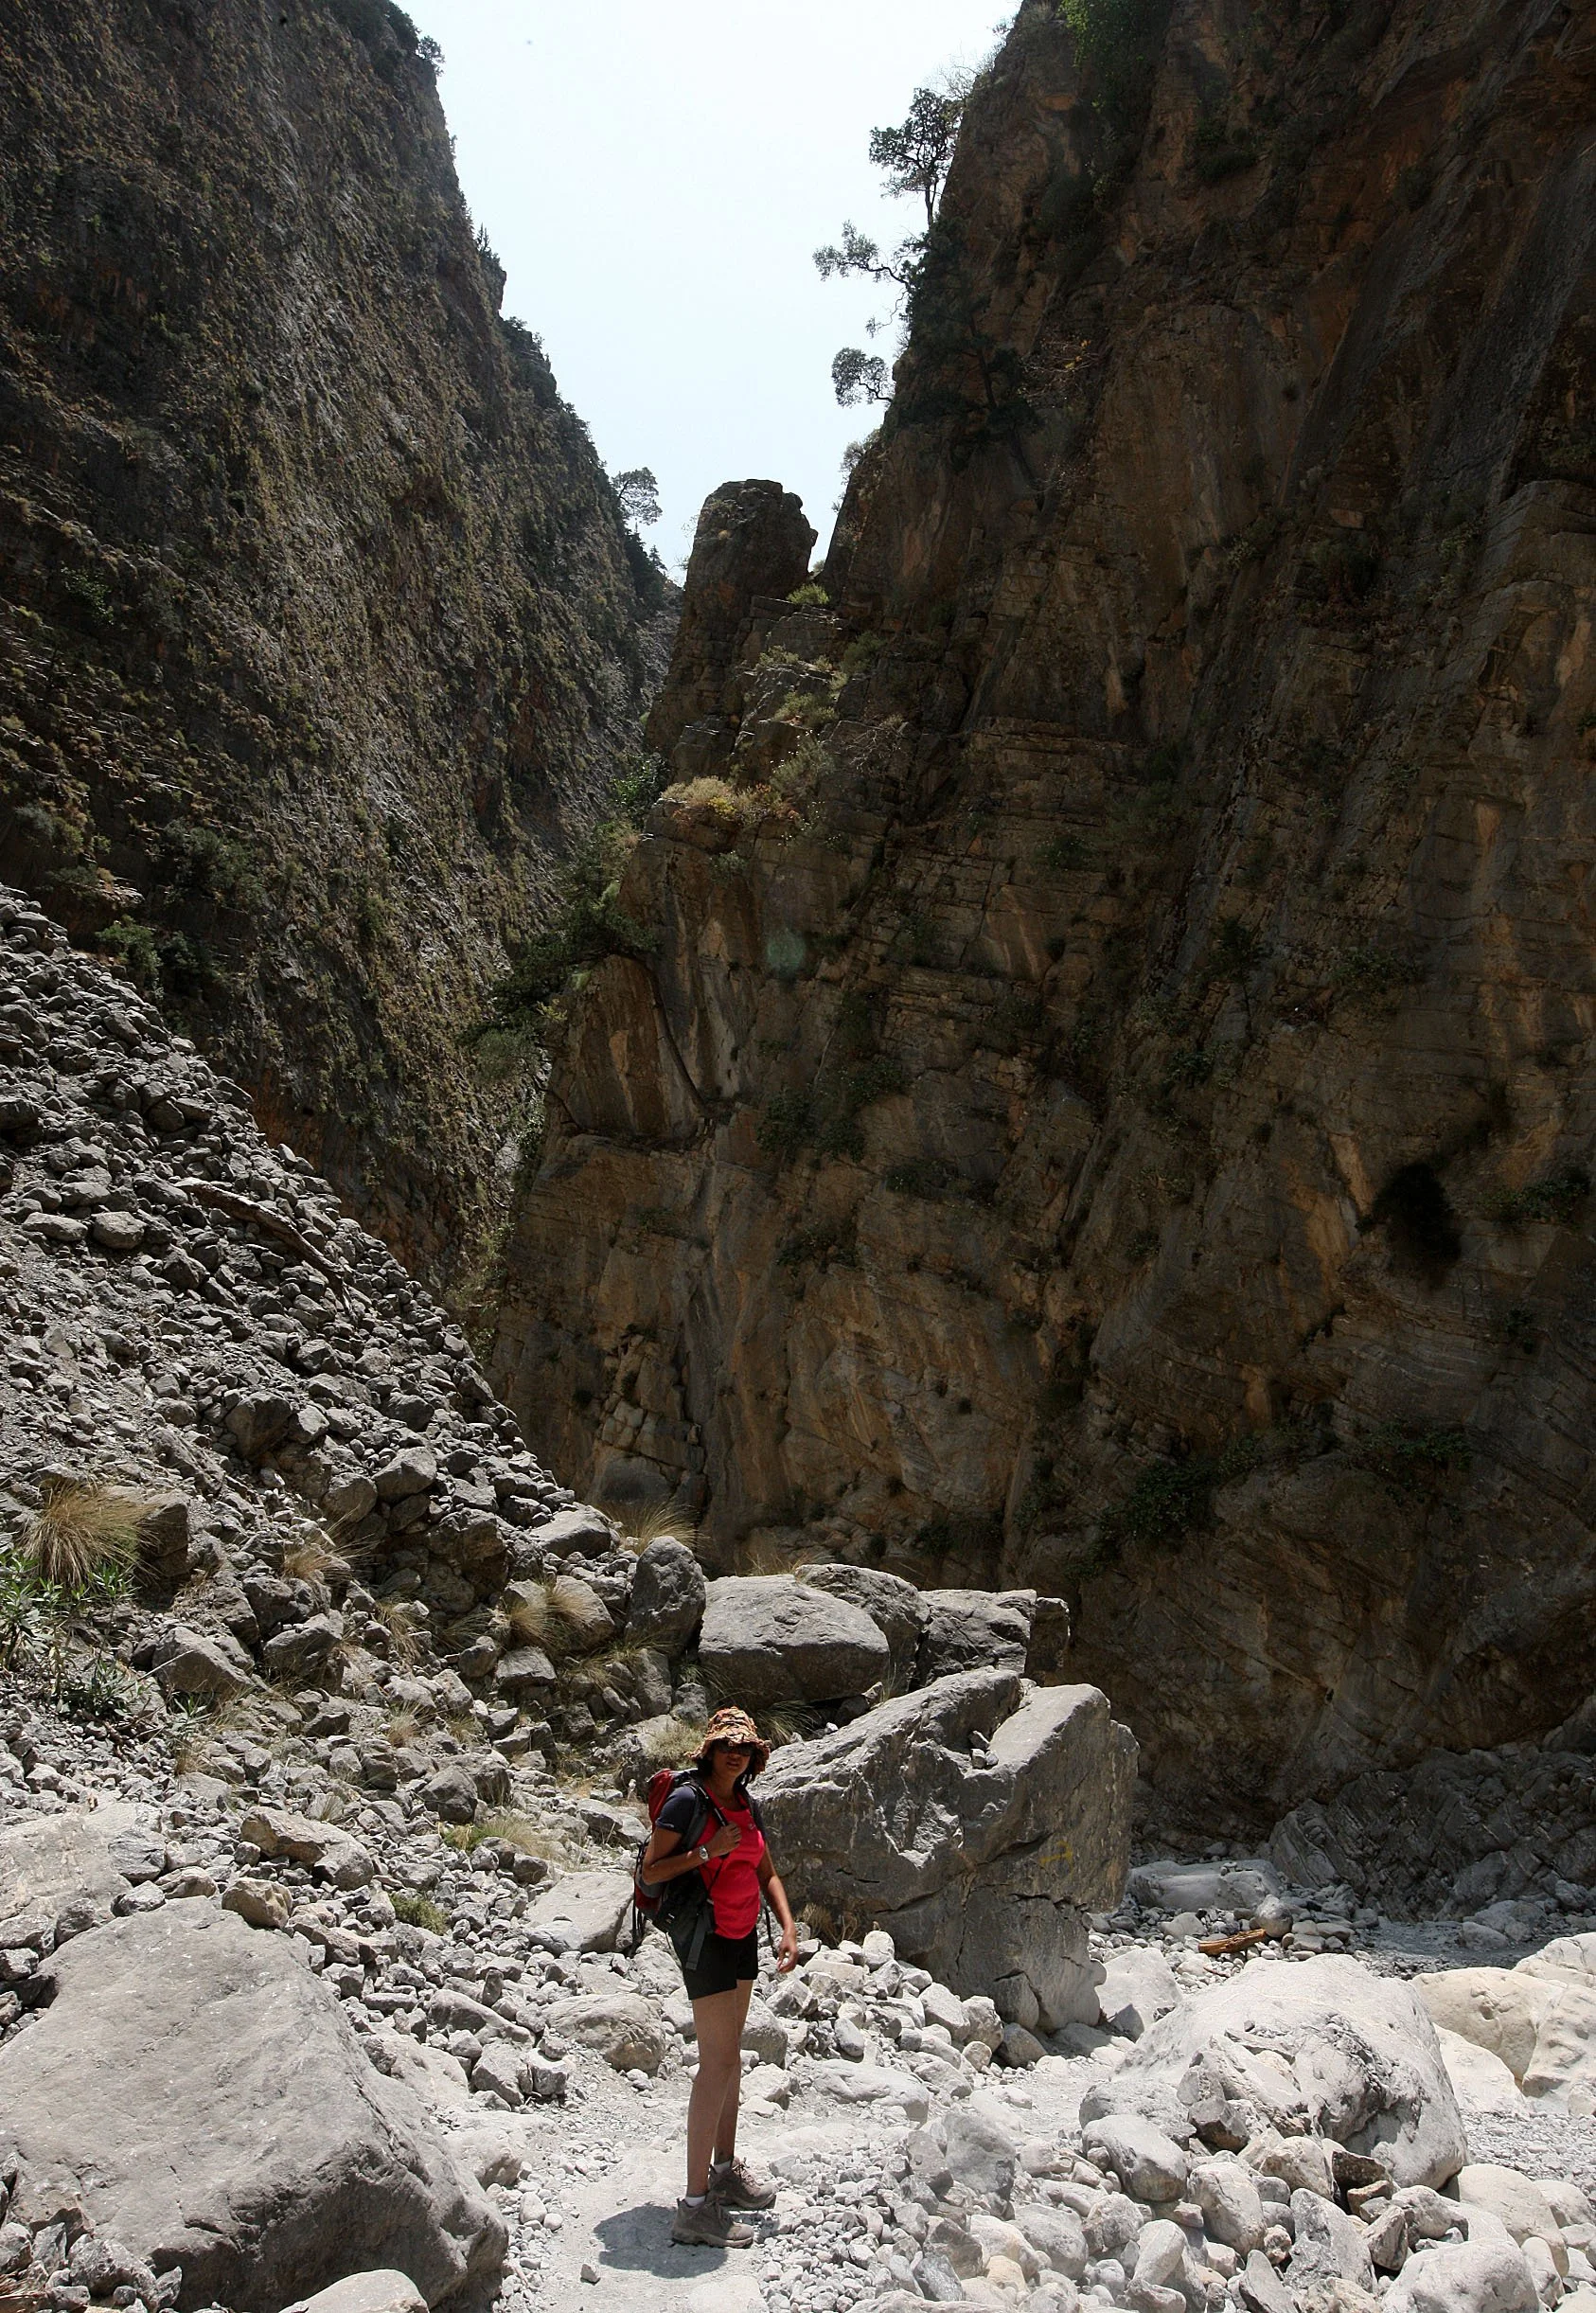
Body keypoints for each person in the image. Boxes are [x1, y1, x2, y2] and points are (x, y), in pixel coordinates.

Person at [640, 1704, 799, 2248]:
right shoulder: (688, 1800)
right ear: (709, 1750)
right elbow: (651, 1870)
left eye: (746, 1747)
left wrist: (788, 1927)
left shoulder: (745, 1802)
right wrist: (707, 1850)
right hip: (706, 1941)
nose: (736, 1752)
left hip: (741, 1938)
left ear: (754, 1757)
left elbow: (766, 1869)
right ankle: (693, 2206)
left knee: (732, 2056)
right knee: (719, 2062)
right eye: (728, 1744)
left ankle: (724, 2172)